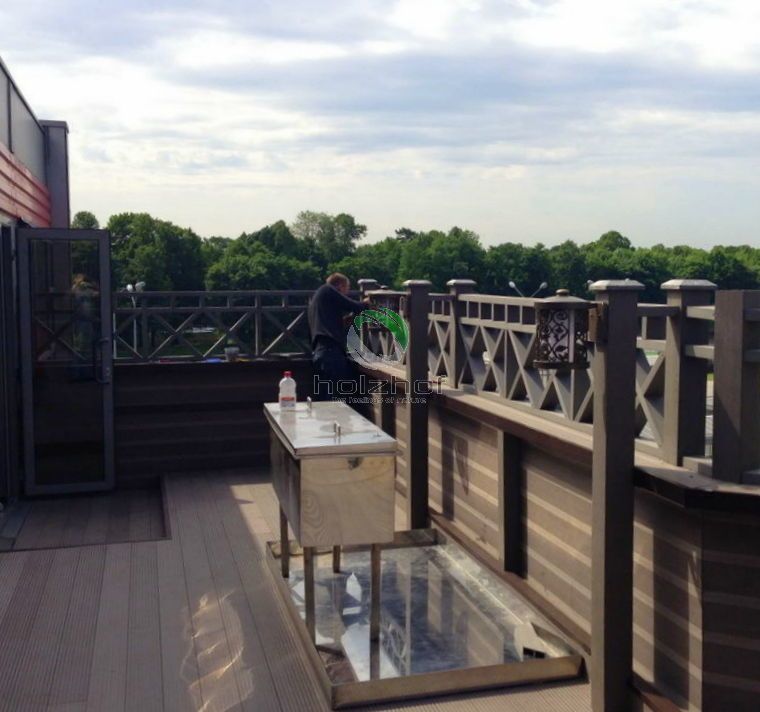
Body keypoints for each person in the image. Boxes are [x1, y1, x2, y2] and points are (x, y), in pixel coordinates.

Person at [308, 273, 367, 400]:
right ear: (340, 286)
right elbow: (354, 306)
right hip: (331, 354)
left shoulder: (317, 298)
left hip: (320, 353)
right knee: (334, 400)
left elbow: (325, 323)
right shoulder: (328, 289)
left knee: (324, 398)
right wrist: (367, 303)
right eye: (347, 289)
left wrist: (344, 321)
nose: (347, 293)